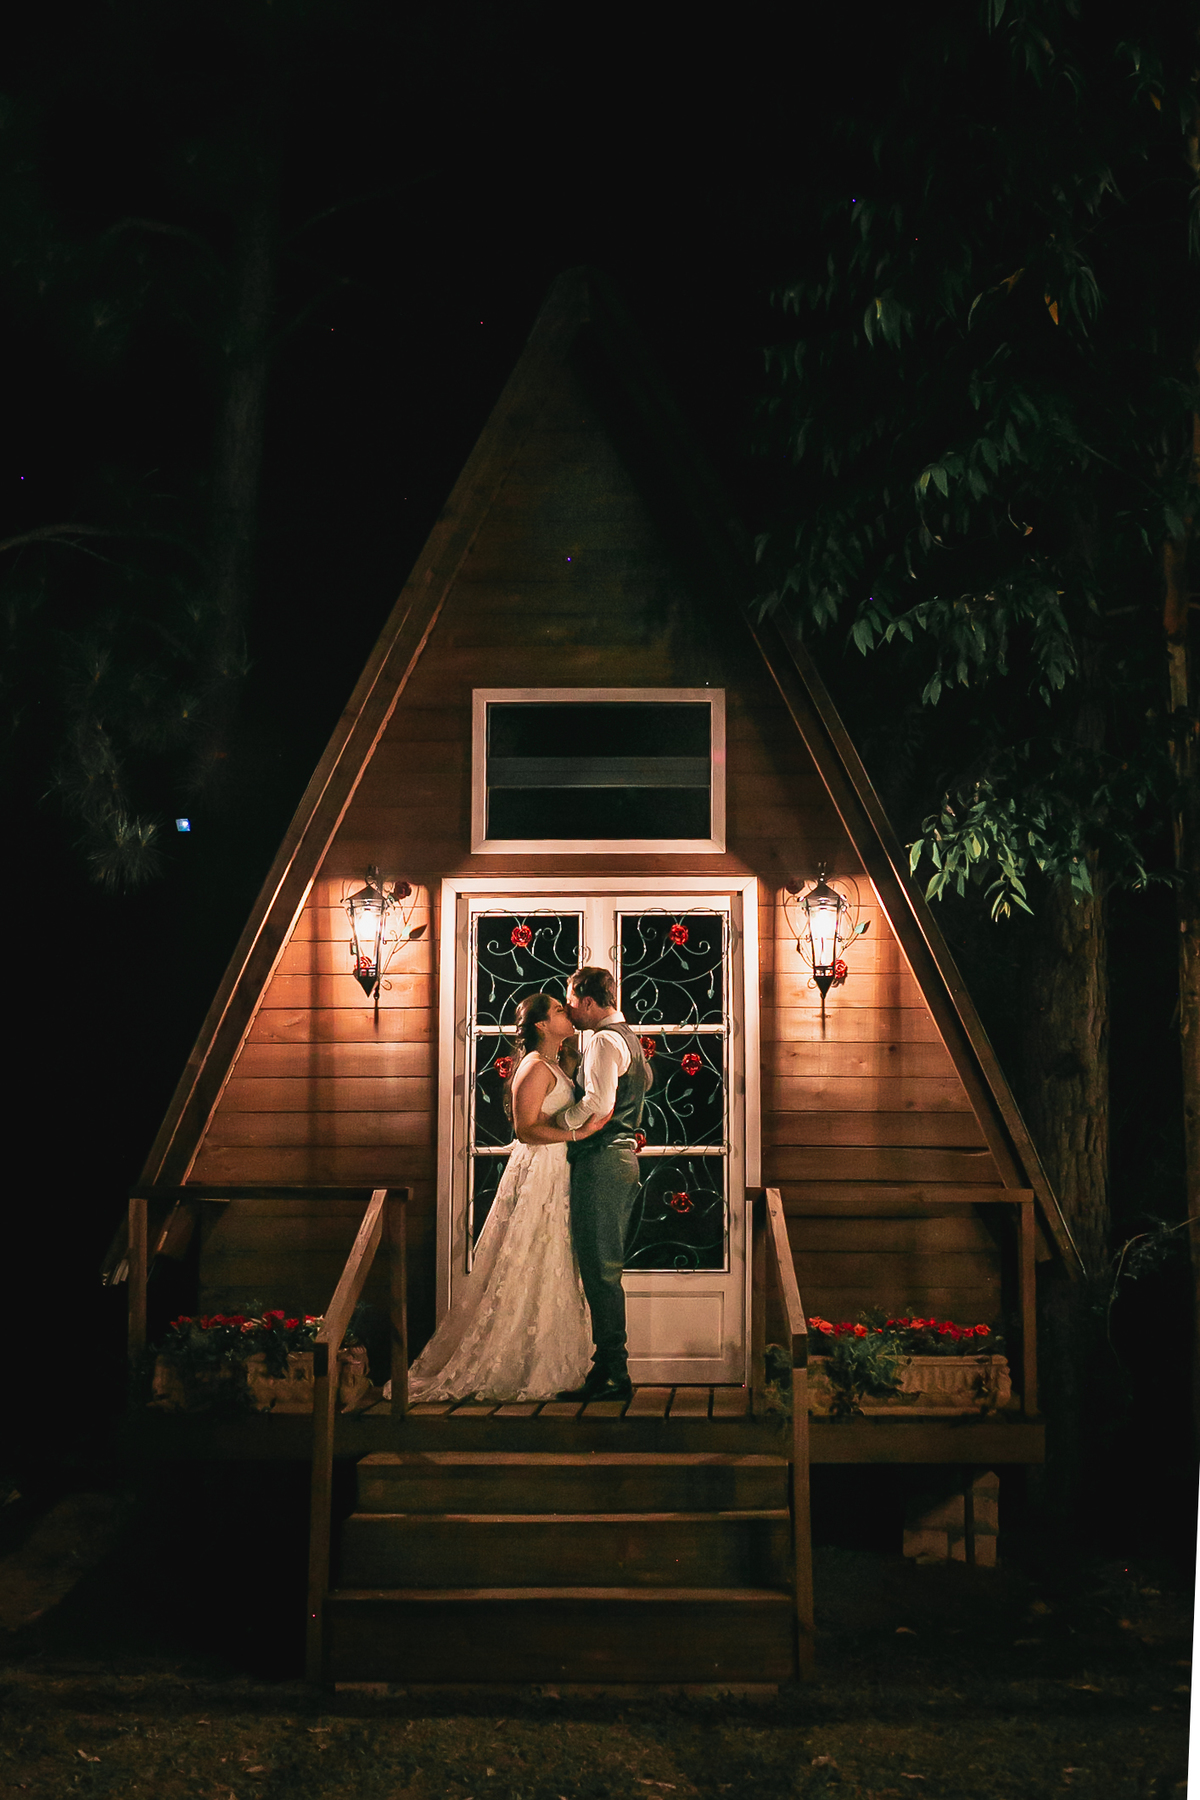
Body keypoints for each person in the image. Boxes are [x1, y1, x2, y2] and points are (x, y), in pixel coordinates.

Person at [396, 992, 610, 1403]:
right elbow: (526, 1129)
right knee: (531, 1255)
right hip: (541, 1169)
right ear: (543, 1025)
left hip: (557, 1170)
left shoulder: (553, 1064)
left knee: (552, 1259)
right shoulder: (534, 1066)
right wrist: (577, 1135)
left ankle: (547, 1359)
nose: (568, 1014)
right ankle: (513, 1361)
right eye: (560, 1011)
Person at [553, 966, 652, 1404]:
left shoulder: (604, 1041)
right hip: (619, 1157)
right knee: (601, 1264)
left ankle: (614, 1371)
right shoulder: (627, 1037)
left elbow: (599, 1103)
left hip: (604, 1159)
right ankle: (607, 1367)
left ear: (588, 1001)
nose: (570, 1011)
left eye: (571, 1002)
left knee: (601, 1268)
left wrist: (559, 1124)